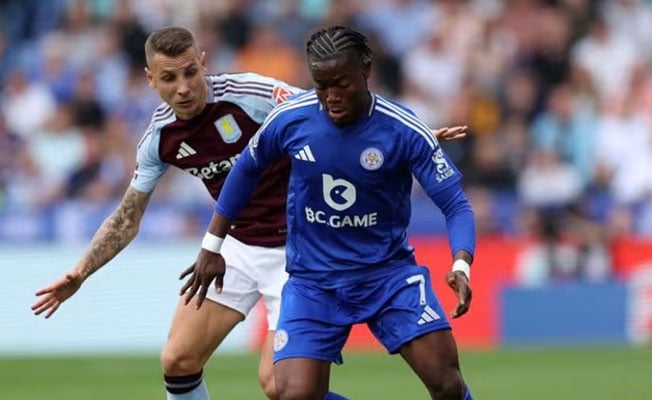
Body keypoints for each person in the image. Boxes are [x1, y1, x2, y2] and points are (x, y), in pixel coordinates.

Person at [30, 26, 467, 400]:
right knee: (177, 360)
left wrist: (414, 137)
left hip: (299, 249)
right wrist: (81, 271)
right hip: (236, 245)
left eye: (189, 72)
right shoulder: (159, 139)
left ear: (203, 63)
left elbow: (330, 115)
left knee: (279, 388)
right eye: (168, 78)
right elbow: (127, 217)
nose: (183, 87)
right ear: (150, 80)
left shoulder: (255, 95)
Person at [183, 25, 476, 400]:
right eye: (322, 86)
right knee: (291, 394)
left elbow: (456, 204)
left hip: (387, 276)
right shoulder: (291, 118)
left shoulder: (402, 128)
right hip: (314, 281)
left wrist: (461, 264)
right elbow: (245, 170)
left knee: (447, 384)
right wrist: (212, 244)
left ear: (366, 70)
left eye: (342, 84)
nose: (331, 97)